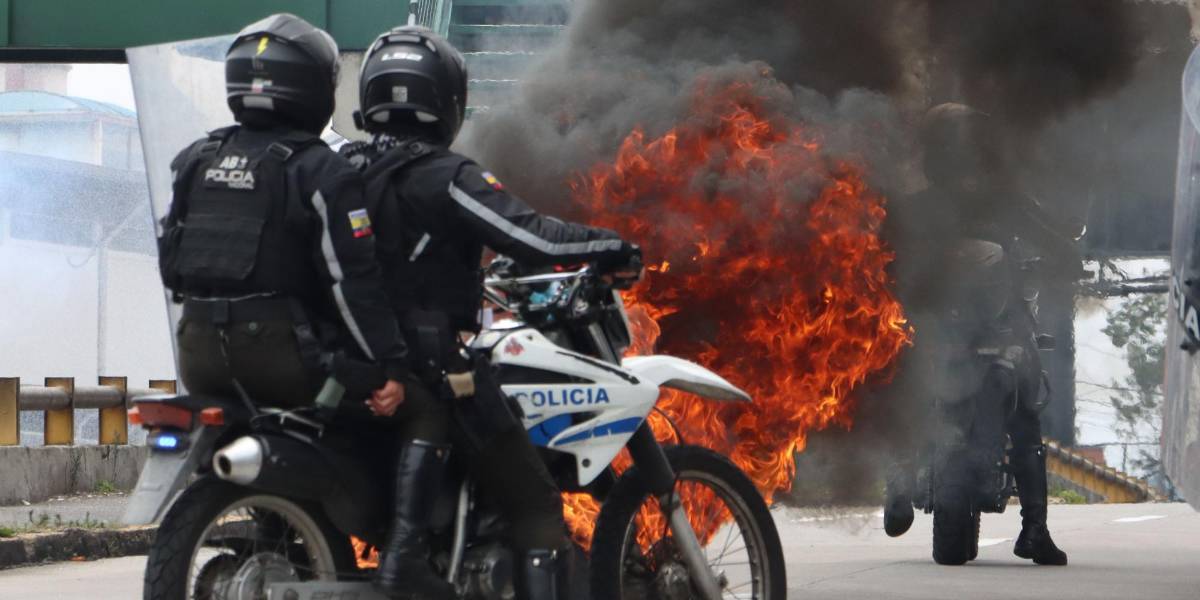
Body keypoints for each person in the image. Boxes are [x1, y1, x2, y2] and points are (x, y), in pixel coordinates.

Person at [342, 25, 643, 600]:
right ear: (445, 101)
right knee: (534, 504)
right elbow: (533, 237)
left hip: (343, 359)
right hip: (426, 362)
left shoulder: (336, 169)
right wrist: (611, 248)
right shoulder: (447, 176)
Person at [158, 14, 408, 421]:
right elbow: (351, 281)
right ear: (313, 85)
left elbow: (171, 268)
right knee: (384, 413)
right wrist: (390, 364)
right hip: (281, 361)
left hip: (196, 353)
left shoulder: (196, 158)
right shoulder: (322, 170)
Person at [883, 103, 1069, 566]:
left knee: (898, 385)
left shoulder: (915, 206)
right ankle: (1034, 528)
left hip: (928, 332)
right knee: (1026, 417)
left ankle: (898, 481)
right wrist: (1068, 258)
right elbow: (1060, 248)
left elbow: (882, 255)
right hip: (994, 333)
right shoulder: (1006, 201)